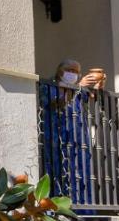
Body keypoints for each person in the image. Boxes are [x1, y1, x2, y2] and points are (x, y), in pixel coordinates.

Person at [44, 59, 106, 207]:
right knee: (59, 171)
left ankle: (83, 207)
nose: (72, 74)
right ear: (60, 71)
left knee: (81, 172)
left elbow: (92, 99)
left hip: (78, 138)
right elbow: (55, 103)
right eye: (69, 70)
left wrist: (98, 86)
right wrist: (77, 87)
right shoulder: (50, 86)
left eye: (76, 71)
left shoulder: (79, 88)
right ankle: (58, 206)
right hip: (57, 137)